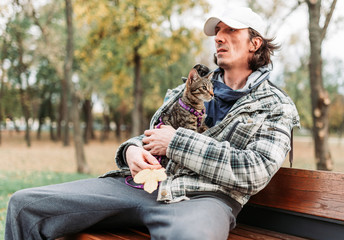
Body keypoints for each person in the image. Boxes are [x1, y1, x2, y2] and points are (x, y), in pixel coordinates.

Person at [5, 6, 300, 240]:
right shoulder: (184, 90)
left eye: (231, 30)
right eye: (217, 31)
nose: (219, 37)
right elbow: (153, 134)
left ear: (255, 43)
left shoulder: (275, 106)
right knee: (24, 206)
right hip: (140, 186)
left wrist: (176, 143)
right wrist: (131, 151)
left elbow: (254, 171)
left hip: (202, 200)